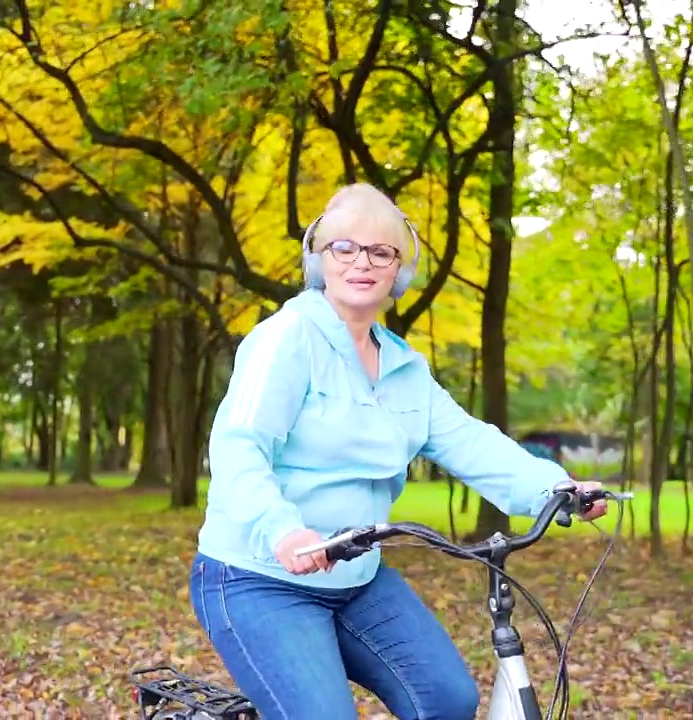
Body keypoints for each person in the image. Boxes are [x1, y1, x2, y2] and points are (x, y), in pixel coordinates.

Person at [188, 183, 610, 720]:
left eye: (381, 251)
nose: (362, 262)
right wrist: (283, 530)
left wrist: (556, 488)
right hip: (258, 578)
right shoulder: (286, 339)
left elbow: (469, 441)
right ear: (319, 260)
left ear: (398, 272)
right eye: (345, 247)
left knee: (447, 699)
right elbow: (238, 447)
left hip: (355, 573)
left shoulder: (404, 366)